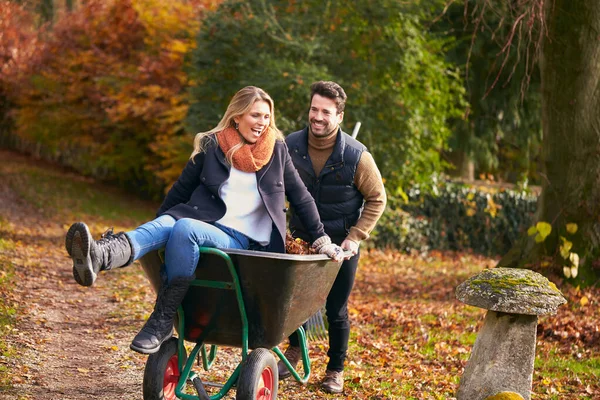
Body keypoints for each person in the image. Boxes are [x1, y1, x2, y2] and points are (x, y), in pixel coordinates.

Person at [64, 86, 344, 355]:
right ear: (237, 116)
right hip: (205, 222)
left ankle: (162, 319)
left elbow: (301, 197)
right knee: (171, 223)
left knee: (183, 227)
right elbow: (180, 192)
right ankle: (102, 255)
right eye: (255, 115)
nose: (262, 122)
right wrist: (158, 233)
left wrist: (322, 240)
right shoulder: (213, 145)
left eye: (266, 116)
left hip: (242, 240)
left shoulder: (276, 150)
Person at [279, 81, 386, 393]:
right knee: (292, 301)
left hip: (341, 244)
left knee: (336, 309)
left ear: (339, 116)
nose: (318, 116)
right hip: (299, 238)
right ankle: (295, 351)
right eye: (314, 109)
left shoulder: (356, 155)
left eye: (326, 111)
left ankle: (335, 369)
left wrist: (355, 236)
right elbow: (275, 189)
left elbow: (377, 198)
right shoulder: (291, 145)